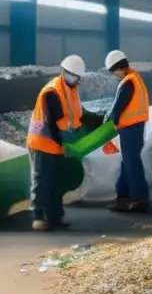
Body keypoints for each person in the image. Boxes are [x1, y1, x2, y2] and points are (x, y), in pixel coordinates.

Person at [26, 55, 102, 231]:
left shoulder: (72, 90)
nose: (72, 77)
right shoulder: (51, 92)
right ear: (63, 71)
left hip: (59, 143)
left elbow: (78, 115)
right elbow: (53, 123)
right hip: (43, 142)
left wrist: (98, 120)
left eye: (75, 75)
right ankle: (38, 216)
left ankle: (54, 217)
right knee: (42, 179)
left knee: (57, 181)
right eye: (69, 74)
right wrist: (64, 144)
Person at [104, 50, 151, 213]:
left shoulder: (128, 82)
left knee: (131, 164)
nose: (114, 75)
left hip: (130, 128)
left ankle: (139, 198)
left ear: (118, 67)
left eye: (113, 71)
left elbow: (118, 108)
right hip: (136, 127)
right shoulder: (136, 78)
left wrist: (107, 124)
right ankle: (122, 197)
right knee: (127, 163)